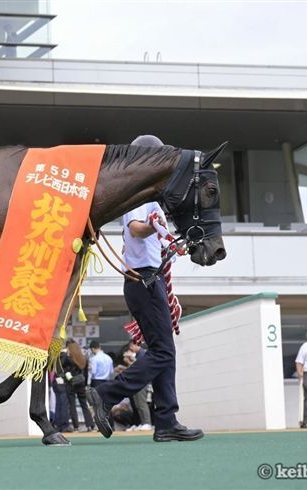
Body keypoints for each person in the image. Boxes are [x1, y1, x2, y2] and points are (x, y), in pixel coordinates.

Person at [87, 134, 204, 443]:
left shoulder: (145, 195)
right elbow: (136, 230)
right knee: (164, 351)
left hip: (145, 280)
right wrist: (157, 225)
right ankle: (106, 394)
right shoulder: (141, 196)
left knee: (163, 351)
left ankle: (166, 421)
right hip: (144, 281)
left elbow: (147, 236)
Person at [63, 339, 95, 432]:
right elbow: (86, 373)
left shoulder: (67, 358)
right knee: (84, 404)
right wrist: (85, 384)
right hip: (81, 382)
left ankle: (76, 426)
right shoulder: (83, 358)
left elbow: (62, 368)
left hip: (70, 382)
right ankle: (90, 425)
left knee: (72, 405)